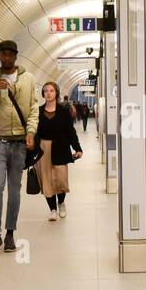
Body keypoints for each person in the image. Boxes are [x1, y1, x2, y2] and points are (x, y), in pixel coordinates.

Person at [0, 39, 37, 257]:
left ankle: (10, 232)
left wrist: (30, 132)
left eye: (11, 54)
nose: (8, 58)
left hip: (20, 141)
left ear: (16, 56)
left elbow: (33, 109)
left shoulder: (28, 79)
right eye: (4, 54)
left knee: (14, 188)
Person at [35, 81, 83, 220]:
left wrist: (77, 148)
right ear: (43, 94)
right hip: (44, 148)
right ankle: (52, 210)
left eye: (51, 90)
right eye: (46, 91)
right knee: (47, 180)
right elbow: (34, 131)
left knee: (61, 179)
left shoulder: (63, 112)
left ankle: (61, 203)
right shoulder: (38, 111)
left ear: (56, 93)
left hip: (61, 147)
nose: (48, 93)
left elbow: (70, 131)